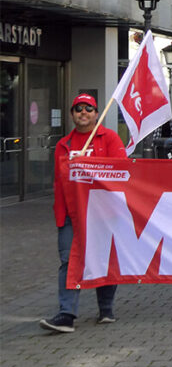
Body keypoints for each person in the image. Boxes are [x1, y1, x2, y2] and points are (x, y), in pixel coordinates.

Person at [39, 94, 126, 333]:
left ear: (97, 114)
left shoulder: (109, 138)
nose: (83, 113)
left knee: (104, 259)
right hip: (70, 214)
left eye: (89, 109)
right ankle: (67, 314)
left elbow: (123, 171)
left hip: (102, 213)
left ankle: (106, 310)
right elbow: (59, 181)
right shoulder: (63, 145)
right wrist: (59, 214)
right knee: (69, 261)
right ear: (72, 114)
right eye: (78, 109)